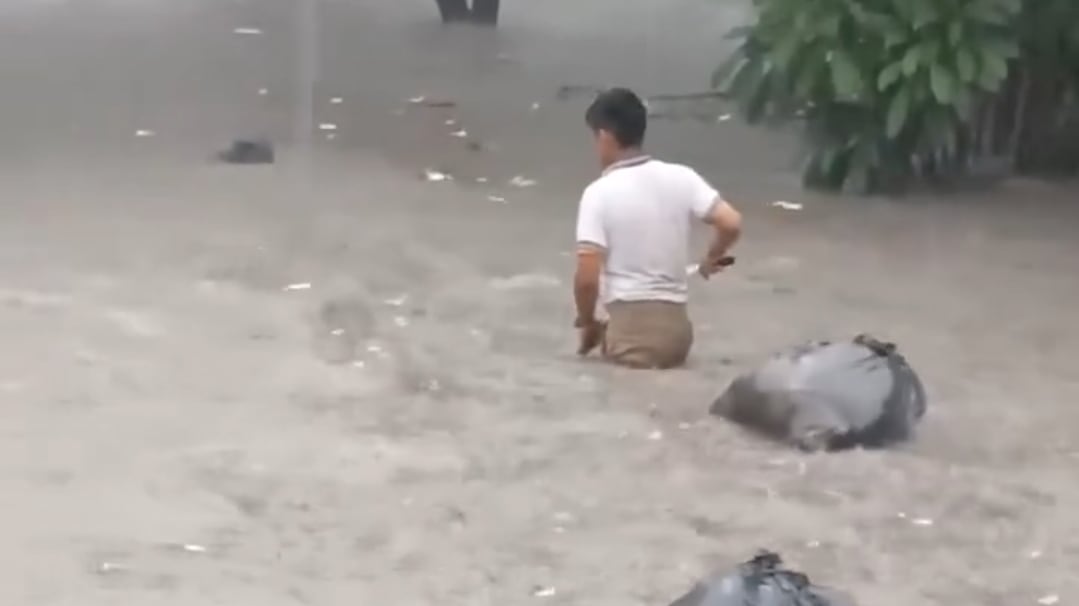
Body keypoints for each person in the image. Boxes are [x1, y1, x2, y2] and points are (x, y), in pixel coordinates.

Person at [573, 88, 743, 369]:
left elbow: (587, 280)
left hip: (628, 338)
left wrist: (588, 322)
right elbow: (732, 223)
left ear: (604, 136)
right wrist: (712, 258)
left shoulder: (598, 193)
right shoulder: (683, 177)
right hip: (678, 340)